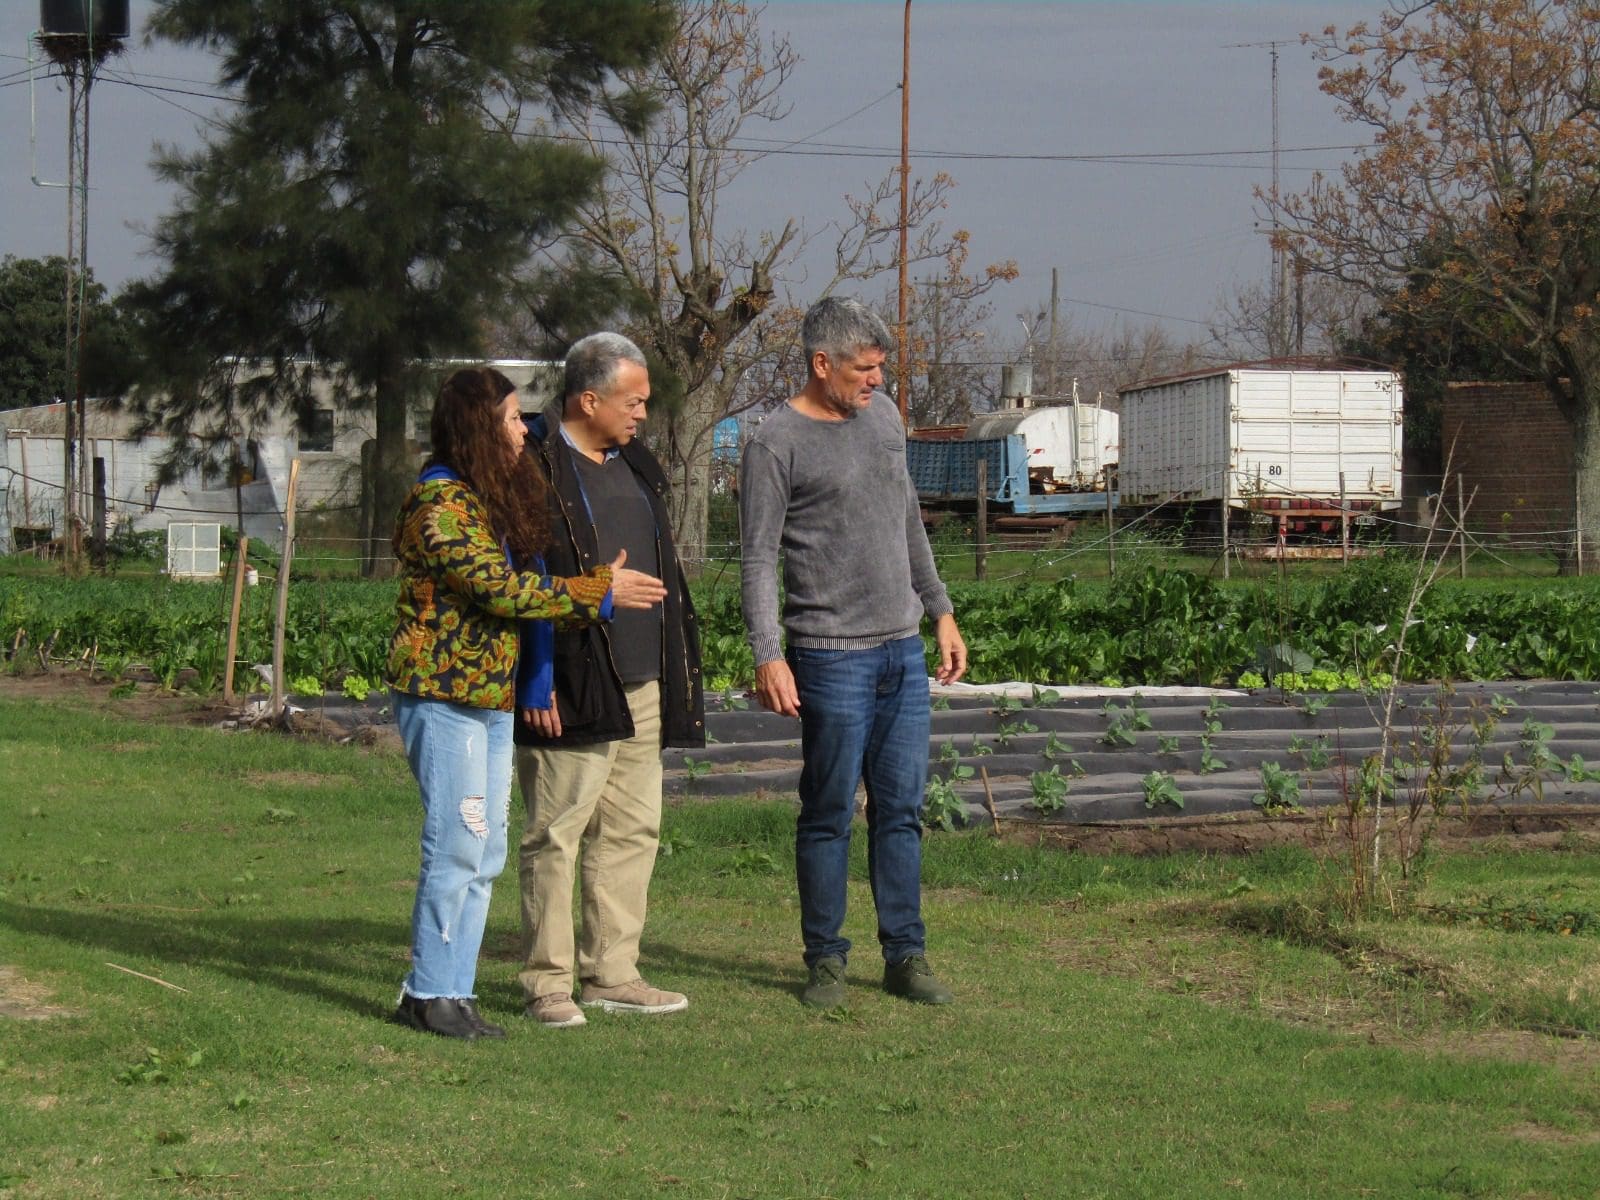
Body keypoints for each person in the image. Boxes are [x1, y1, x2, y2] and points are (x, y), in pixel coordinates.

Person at [387, 365, 667, 1040]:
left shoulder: (481, 501)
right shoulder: (440, 506)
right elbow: (501, 590)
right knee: (456, 845)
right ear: (480, 428)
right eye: (512, 419)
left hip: (486, 699)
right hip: (444, 698)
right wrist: (596, 590)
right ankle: (431, 992)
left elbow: (516, 585)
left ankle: (450, 989)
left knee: (482, 848)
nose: (522, 430)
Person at [739, 296, 968, 1009]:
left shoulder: (886, 418)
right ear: (821, 364)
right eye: (863, 369)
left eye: (878, 368)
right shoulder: (775, 443)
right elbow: (756, 559)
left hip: (901, 650)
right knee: (829, 809)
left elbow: (906, 519)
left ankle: (906, 955)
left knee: (900, 809)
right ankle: (825, 959)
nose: (875, 381)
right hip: (830, 656)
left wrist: (941, 610)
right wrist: (768, 654)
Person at [514, 333, 705, 1029]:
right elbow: (519, 583)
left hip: (644, 680)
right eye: (634, 401)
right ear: (588, 399)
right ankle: (548, 983)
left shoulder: (636, 464)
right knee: (556, 833)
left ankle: (613, 973)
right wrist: (534, 684)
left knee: (632, 829)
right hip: (572, 681)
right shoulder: (536, 469)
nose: (642, 415)